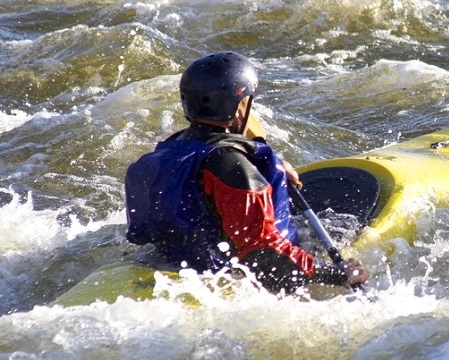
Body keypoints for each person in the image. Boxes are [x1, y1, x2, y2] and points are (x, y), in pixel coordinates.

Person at [124, 51, 368, 293]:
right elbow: (265, 260)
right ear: (240, 105)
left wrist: (265, 162)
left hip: (172, 263)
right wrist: (338, 274)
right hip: (232, 279)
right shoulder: (234, 171)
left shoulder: (162, 154)